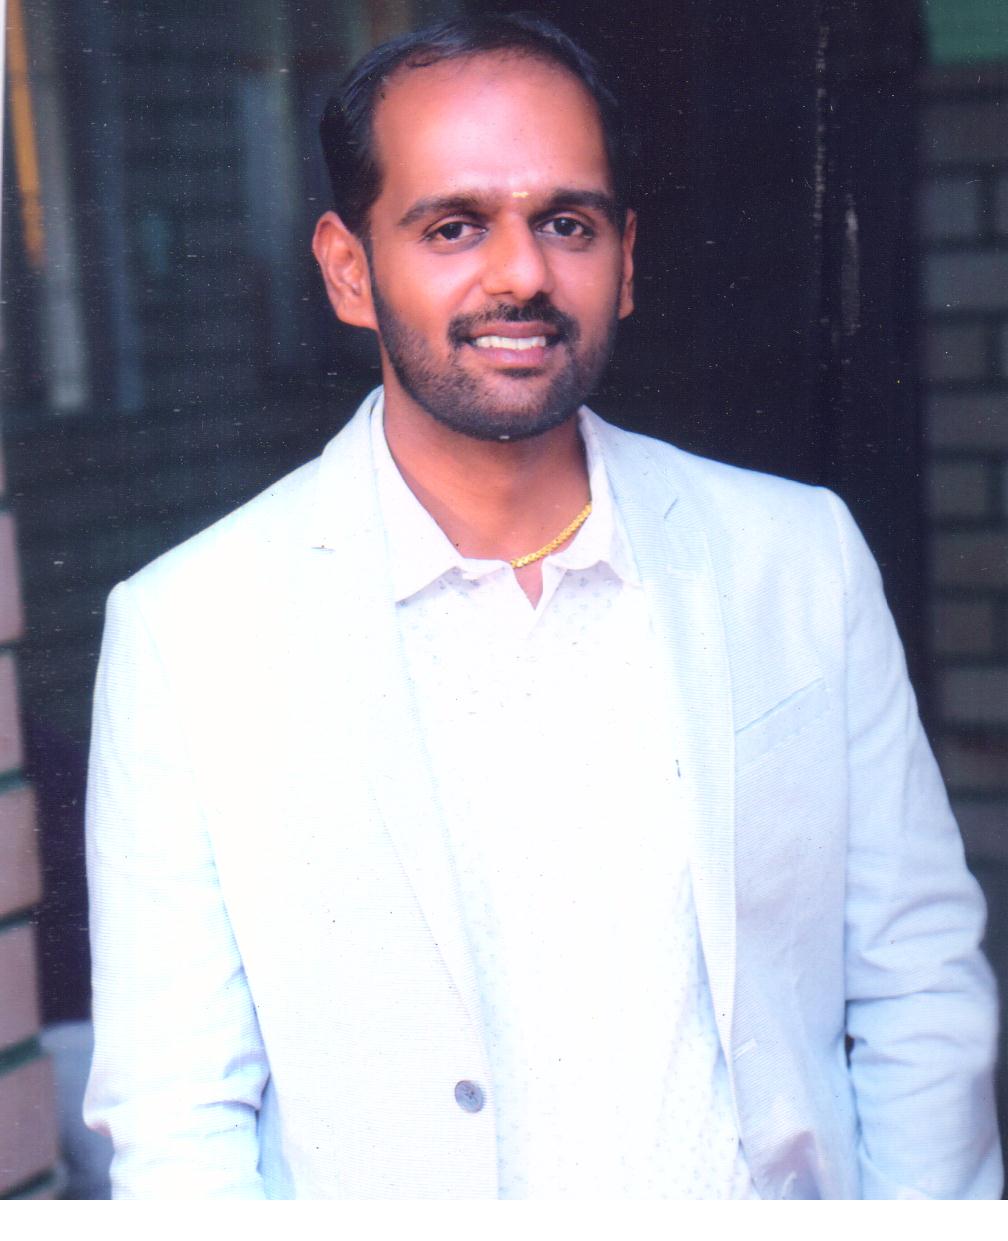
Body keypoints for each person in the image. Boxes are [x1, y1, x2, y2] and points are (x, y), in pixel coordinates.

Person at [83, 14, 1001, 1199]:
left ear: (627, 256)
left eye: (567, 222)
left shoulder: (794, 558)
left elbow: (918, 980)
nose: (520, 274)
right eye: (454, 226)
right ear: (349, 268)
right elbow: (176, 1114)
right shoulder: (194, 630)